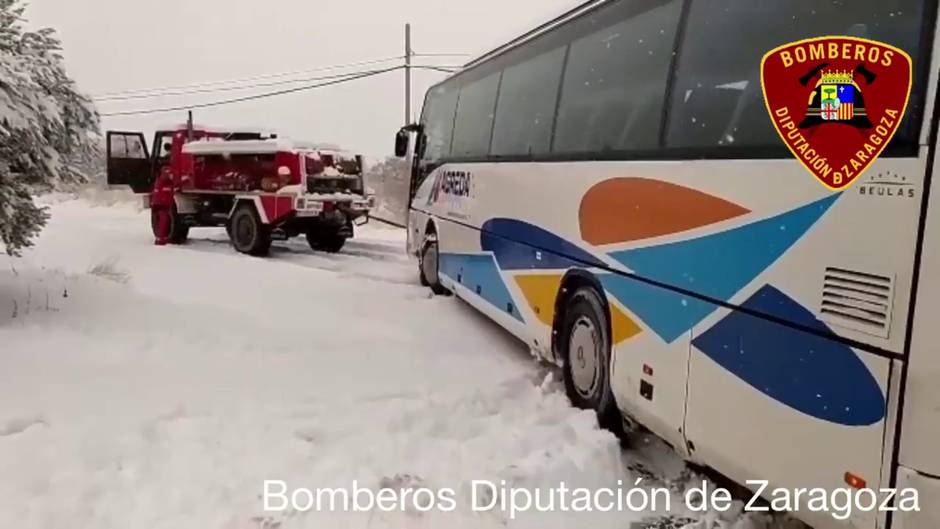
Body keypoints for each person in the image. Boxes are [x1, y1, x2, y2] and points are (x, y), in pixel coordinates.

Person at [151, 167, 175, 245]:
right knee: (163, 221)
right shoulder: (164, 181)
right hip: (161, 204)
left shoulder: (159, 180)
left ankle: (161, 237)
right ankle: (160, 239)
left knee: (162, 221)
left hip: (159, 203)